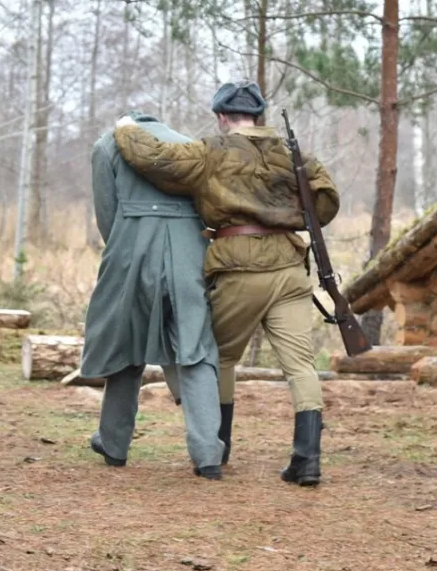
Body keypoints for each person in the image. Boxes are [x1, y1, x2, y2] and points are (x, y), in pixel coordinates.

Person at [113, 82, 340, 486]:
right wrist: (284, 215)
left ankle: (219, 446)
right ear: (258, 116)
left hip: (239, 267)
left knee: (217, 358)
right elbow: (325, 203)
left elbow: (156, 159)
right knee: (301, 366)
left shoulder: (211, 151)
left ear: (221, 117)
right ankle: (307, 460)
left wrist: (126, 127)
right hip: (289, 268)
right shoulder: (294, 155)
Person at [82, 111, 225, 481]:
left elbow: (106, 214)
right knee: (195, 347)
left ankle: (114, 446)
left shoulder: (106, 145)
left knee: (124, 345)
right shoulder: (189, 145)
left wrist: (125, 248)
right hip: (189, 251)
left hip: (131, 246)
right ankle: (208, 454)